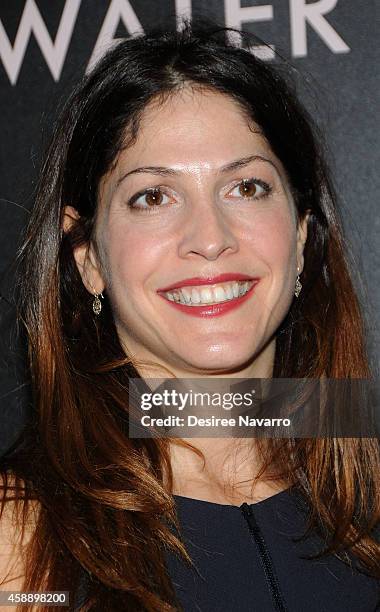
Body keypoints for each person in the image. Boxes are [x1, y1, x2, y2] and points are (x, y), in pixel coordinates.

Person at [0, 19, 379, 612]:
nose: (210, 238)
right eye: (153, 196)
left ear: (302, 236)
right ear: (88, 257)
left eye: (246, 187)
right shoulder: (21, 534)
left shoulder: (366, 480)